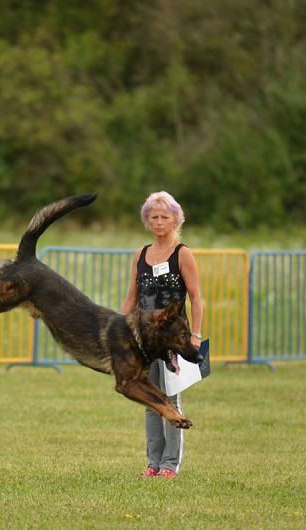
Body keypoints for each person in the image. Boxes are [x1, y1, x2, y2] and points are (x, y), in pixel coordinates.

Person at [120, 191, 203, 479]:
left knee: (171, 400)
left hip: (173, 340)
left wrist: (195, 335)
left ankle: (170, 464)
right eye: (153, 217)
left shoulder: (183, 253)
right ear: (147, 220)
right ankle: (153, 463)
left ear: (175, 219)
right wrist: (120, 332)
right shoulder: (141, 254)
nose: (158, 222)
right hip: (143, 340)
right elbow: (132, 296)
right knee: (149, 400)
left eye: (164, 217)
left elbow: (196, 297)